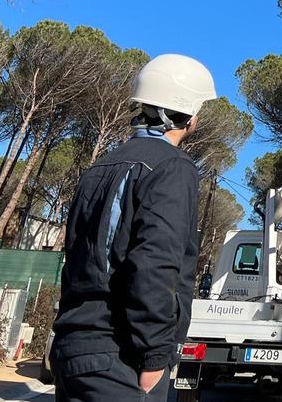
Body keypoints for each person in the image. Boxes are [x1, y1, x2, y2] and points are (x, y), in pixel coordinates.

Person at [50, 54, 216, 402]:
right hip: (121, 357)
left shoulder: (101, 167)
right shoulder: (172, 167)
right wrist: (155, 355)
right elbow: (154, 264)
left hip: (73, 347)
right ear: (186, 112)